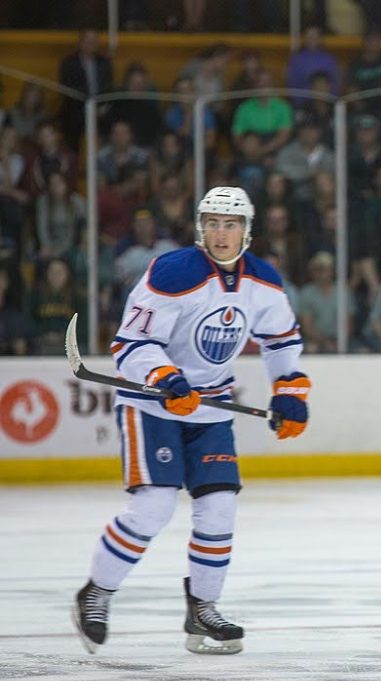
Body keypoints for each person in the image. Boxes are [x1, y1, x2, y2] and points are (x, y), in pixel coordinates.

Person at [71, 186, 310, 655]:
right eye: (213, 223)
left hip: (211, 408)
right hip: (149, 405)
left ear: (247, 230)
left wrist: (289, 390)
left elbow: (281, 341)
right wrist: (166, 377)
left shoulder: (264, 281)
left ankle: (203, 608)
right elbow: (131, 344)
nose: (221, 233)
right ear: (201, 228)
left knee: (220, 508)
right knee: (154, 507)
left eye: (231, 224)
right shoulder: (173, 272)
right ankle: (97, 593)